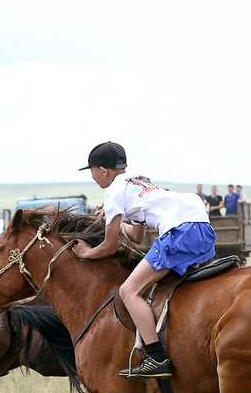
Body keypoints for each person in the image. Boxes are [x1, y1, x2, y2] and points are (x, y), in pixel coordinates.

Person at [72, 141, 216, 379]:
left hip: (179, 233)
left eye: (92, 171)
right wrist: (112, 219)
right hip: (201, 227)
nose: (94, 177)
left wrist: (87, 253)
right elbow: (137, 236)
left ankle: (157, 357)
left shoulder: (113, 193)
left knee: (128, 291)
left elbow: (109, 246)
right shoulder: (139, 182)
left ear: (104, 170)